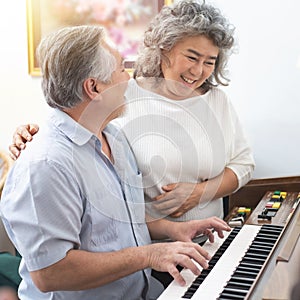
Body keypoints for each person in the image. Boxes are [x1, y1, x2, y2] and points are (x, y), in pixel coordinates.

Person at [0, 25, 231, 299]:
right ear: (94, 87)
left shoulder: (115, 137)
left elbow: (121, 220)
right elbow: (50, 273)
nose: (130, 78)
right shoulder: (45, 166)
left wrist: (174, 229)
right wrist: (149, 255)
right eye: (122, 68)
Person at [9, 0, 255, 223]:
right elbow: (73, 127)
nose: (199, 70)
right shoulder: (122, 94)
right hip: (145, 253)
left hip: (209, 243)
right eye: (192, 57)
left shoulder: (217, 102)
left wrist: (197, 194)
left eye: (210, 61)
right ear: (164, 50)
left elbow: (243, 164)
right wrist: (30, 135)